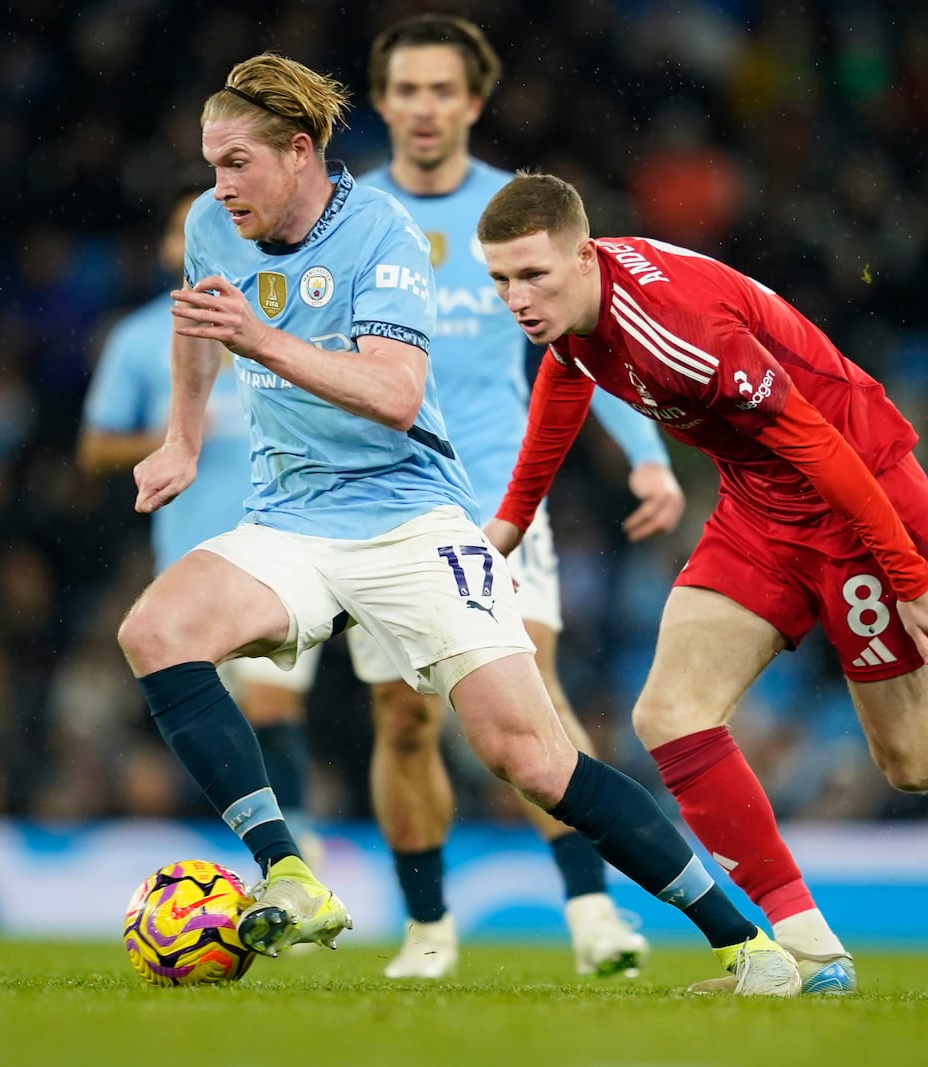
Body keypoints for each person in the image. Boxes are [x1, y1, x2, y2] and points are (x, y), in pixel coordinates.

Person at [114, 52, 806, 997]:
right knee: (156, 630)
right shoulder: (209, 225)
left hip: (410, 520)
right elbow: (198, 323)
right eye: (211, 163)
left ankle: (748, 944)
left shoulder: (382, 235)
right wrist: (183, 441)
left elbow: (397, 395)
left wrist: (261, 338)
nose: (219, 185)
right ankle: (288, 870)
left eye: (237, 163)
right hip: (288, 518)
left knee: (531, 757)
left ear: (299, 150)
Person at [475, 173, 928, 995]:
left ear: (582, 253)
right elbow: (567, 377)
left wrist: (910, 574)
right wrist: (510, 521)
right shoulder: (578, 312)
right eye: (499, 279)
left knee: (917, 758)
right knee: (669, 712)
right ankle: (809, 954)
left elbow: (820, 444)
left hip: (858, 495)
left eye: (531, 276)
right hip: (759, 503)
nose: (516, 299)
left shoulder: (679, 328)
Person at [356, 14, 678, 980]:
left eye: (441, 89)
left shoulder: (519, 217)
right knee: (403, 719)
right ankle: (427, 932)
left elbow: (594, 337)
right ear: (382, 102)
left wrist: (647, 455)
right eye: (406, 90)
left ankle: (592, 914)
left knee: (527, 694)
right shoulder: (349, 219)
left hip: (498, 504)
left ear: (472, 102)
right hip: (381, 504)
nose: (423, 107)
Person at [78, 191, 319, 847]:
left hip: (278, 552)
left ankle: (294, 852)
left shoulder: (281, 317)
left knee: (273, 701)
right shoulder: (137, 338)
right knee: (219, 715)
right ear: (168, 248)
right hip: (188, 558)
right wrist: (165, 436)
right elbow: (95, 446)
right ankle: (268, 847)